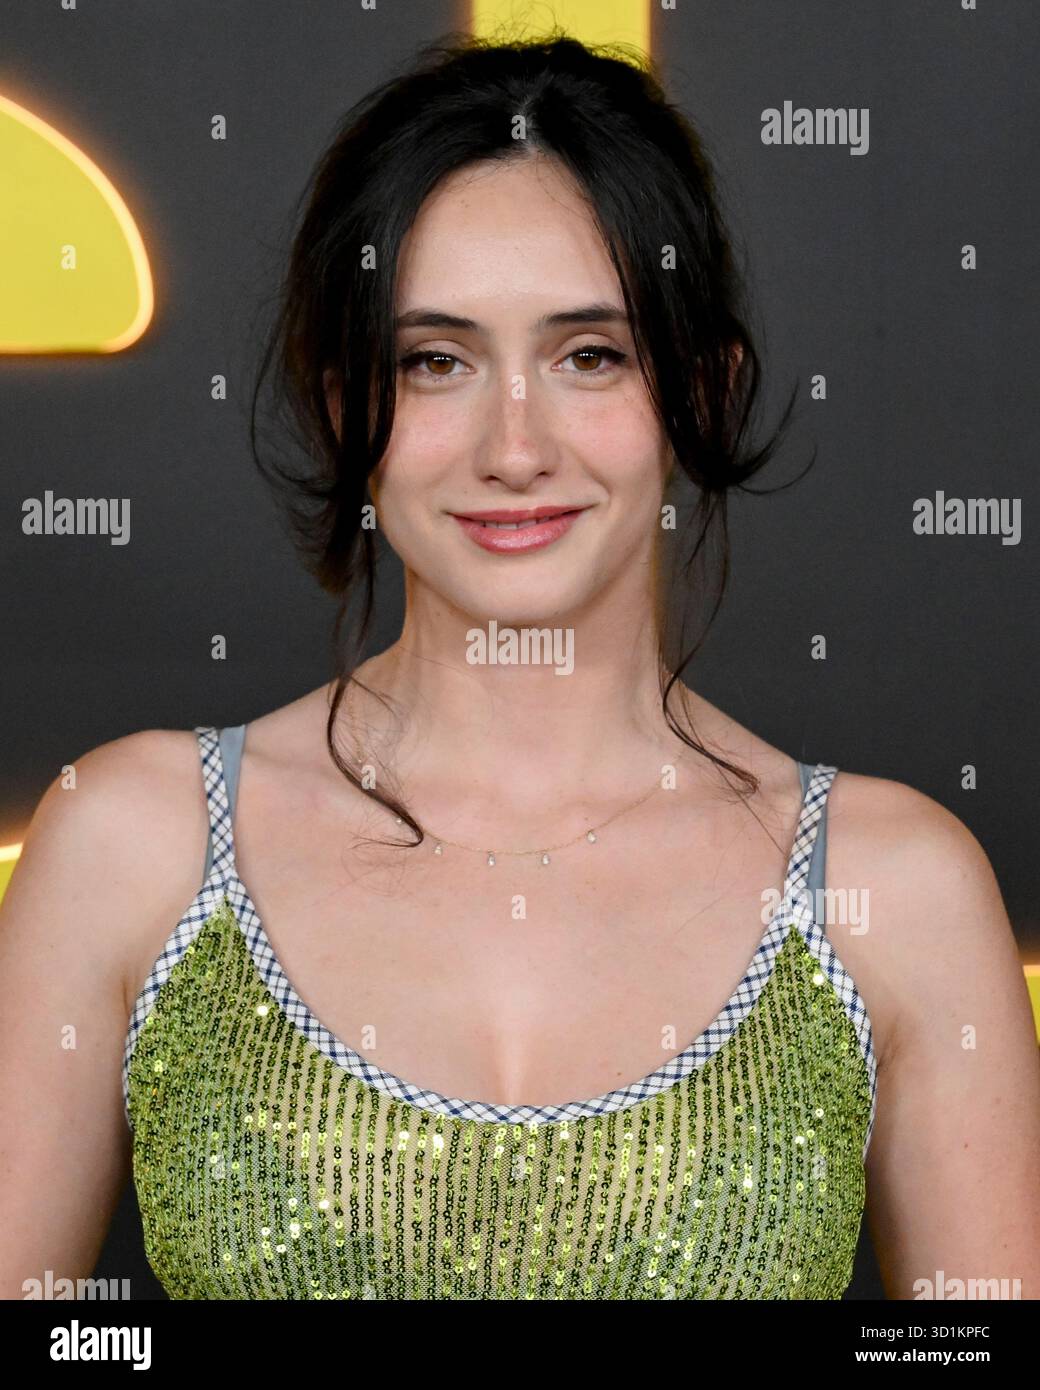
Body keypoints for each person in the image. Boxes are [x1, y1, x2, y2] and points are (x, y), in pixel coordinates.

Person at [1, 34, 1037, 1302]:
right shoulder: (129, 843)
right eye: (434, 361)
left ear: (698, 392)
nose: (513, 445)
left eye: (588, 355)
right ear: (346, 407)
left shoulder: (894, 889)